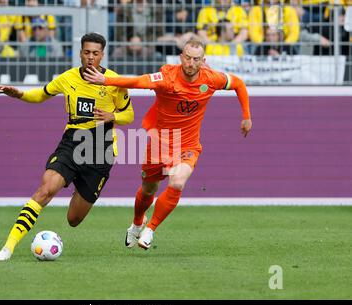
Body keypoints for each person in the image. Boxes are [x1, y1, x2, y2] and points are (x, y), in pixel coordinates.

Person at [84, 39, 252, 250]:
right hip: (159, 143)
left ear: (203, 61)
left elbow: (238, 83)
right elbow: (139, 82)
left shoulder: (211, 79)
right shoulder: (167, 78)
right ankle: (137, 223)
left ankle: (151, 229)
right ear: (181, 57)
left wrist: (246, 116)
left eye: (196, 59)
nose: (191, 63)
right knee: (148, 190)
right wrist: (105, 80)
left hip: (188, 144)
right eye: (188, 58)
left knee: (177, 182)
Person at [0, 32, 134, 261]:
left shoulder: (114, 82)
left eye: (95, 53)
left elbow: (129, 115)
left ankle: (79, 183)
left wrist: (112, 116)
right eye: (86, 52)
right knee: (45, 191)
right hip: (72, 143)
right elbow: (41, 94)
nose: (90, 57)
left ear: (102, 55)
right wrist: (20, 94)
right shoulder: (67, 78)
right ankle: (7, 247)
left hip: (101, 149)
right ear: (80, 53)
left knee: (73, 220)